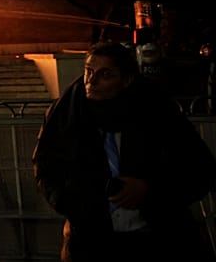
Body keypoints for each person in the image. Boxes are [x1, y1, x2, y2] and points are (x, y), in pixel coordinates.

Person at [32, 40, 216, 261]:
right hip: (91, 240)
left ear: (127, 80)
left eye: (106, 74)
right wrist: (77, 207)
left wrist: (148, 189)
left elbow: (199, 168)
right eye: (89, 71)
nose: (92, 81)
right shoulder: (65, 114)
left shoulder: (157, 113)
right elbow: (46, 168)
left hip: (157, 238)